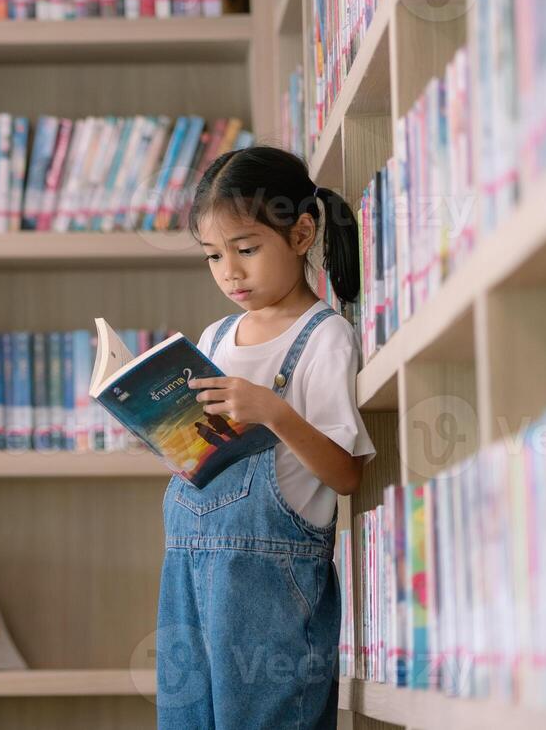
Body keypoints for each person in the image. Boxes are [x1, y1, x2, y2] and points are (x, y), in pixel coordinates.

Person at [157, 145, 375, 730]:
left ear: (302, 234)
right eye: (212, 256)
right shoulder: (217, 334)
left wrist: (275, 413)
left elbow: (347, 474)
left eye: (247, 249)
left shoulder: (325, 337)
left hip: (270, 582)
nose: (230, 271)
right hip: (187, 571)